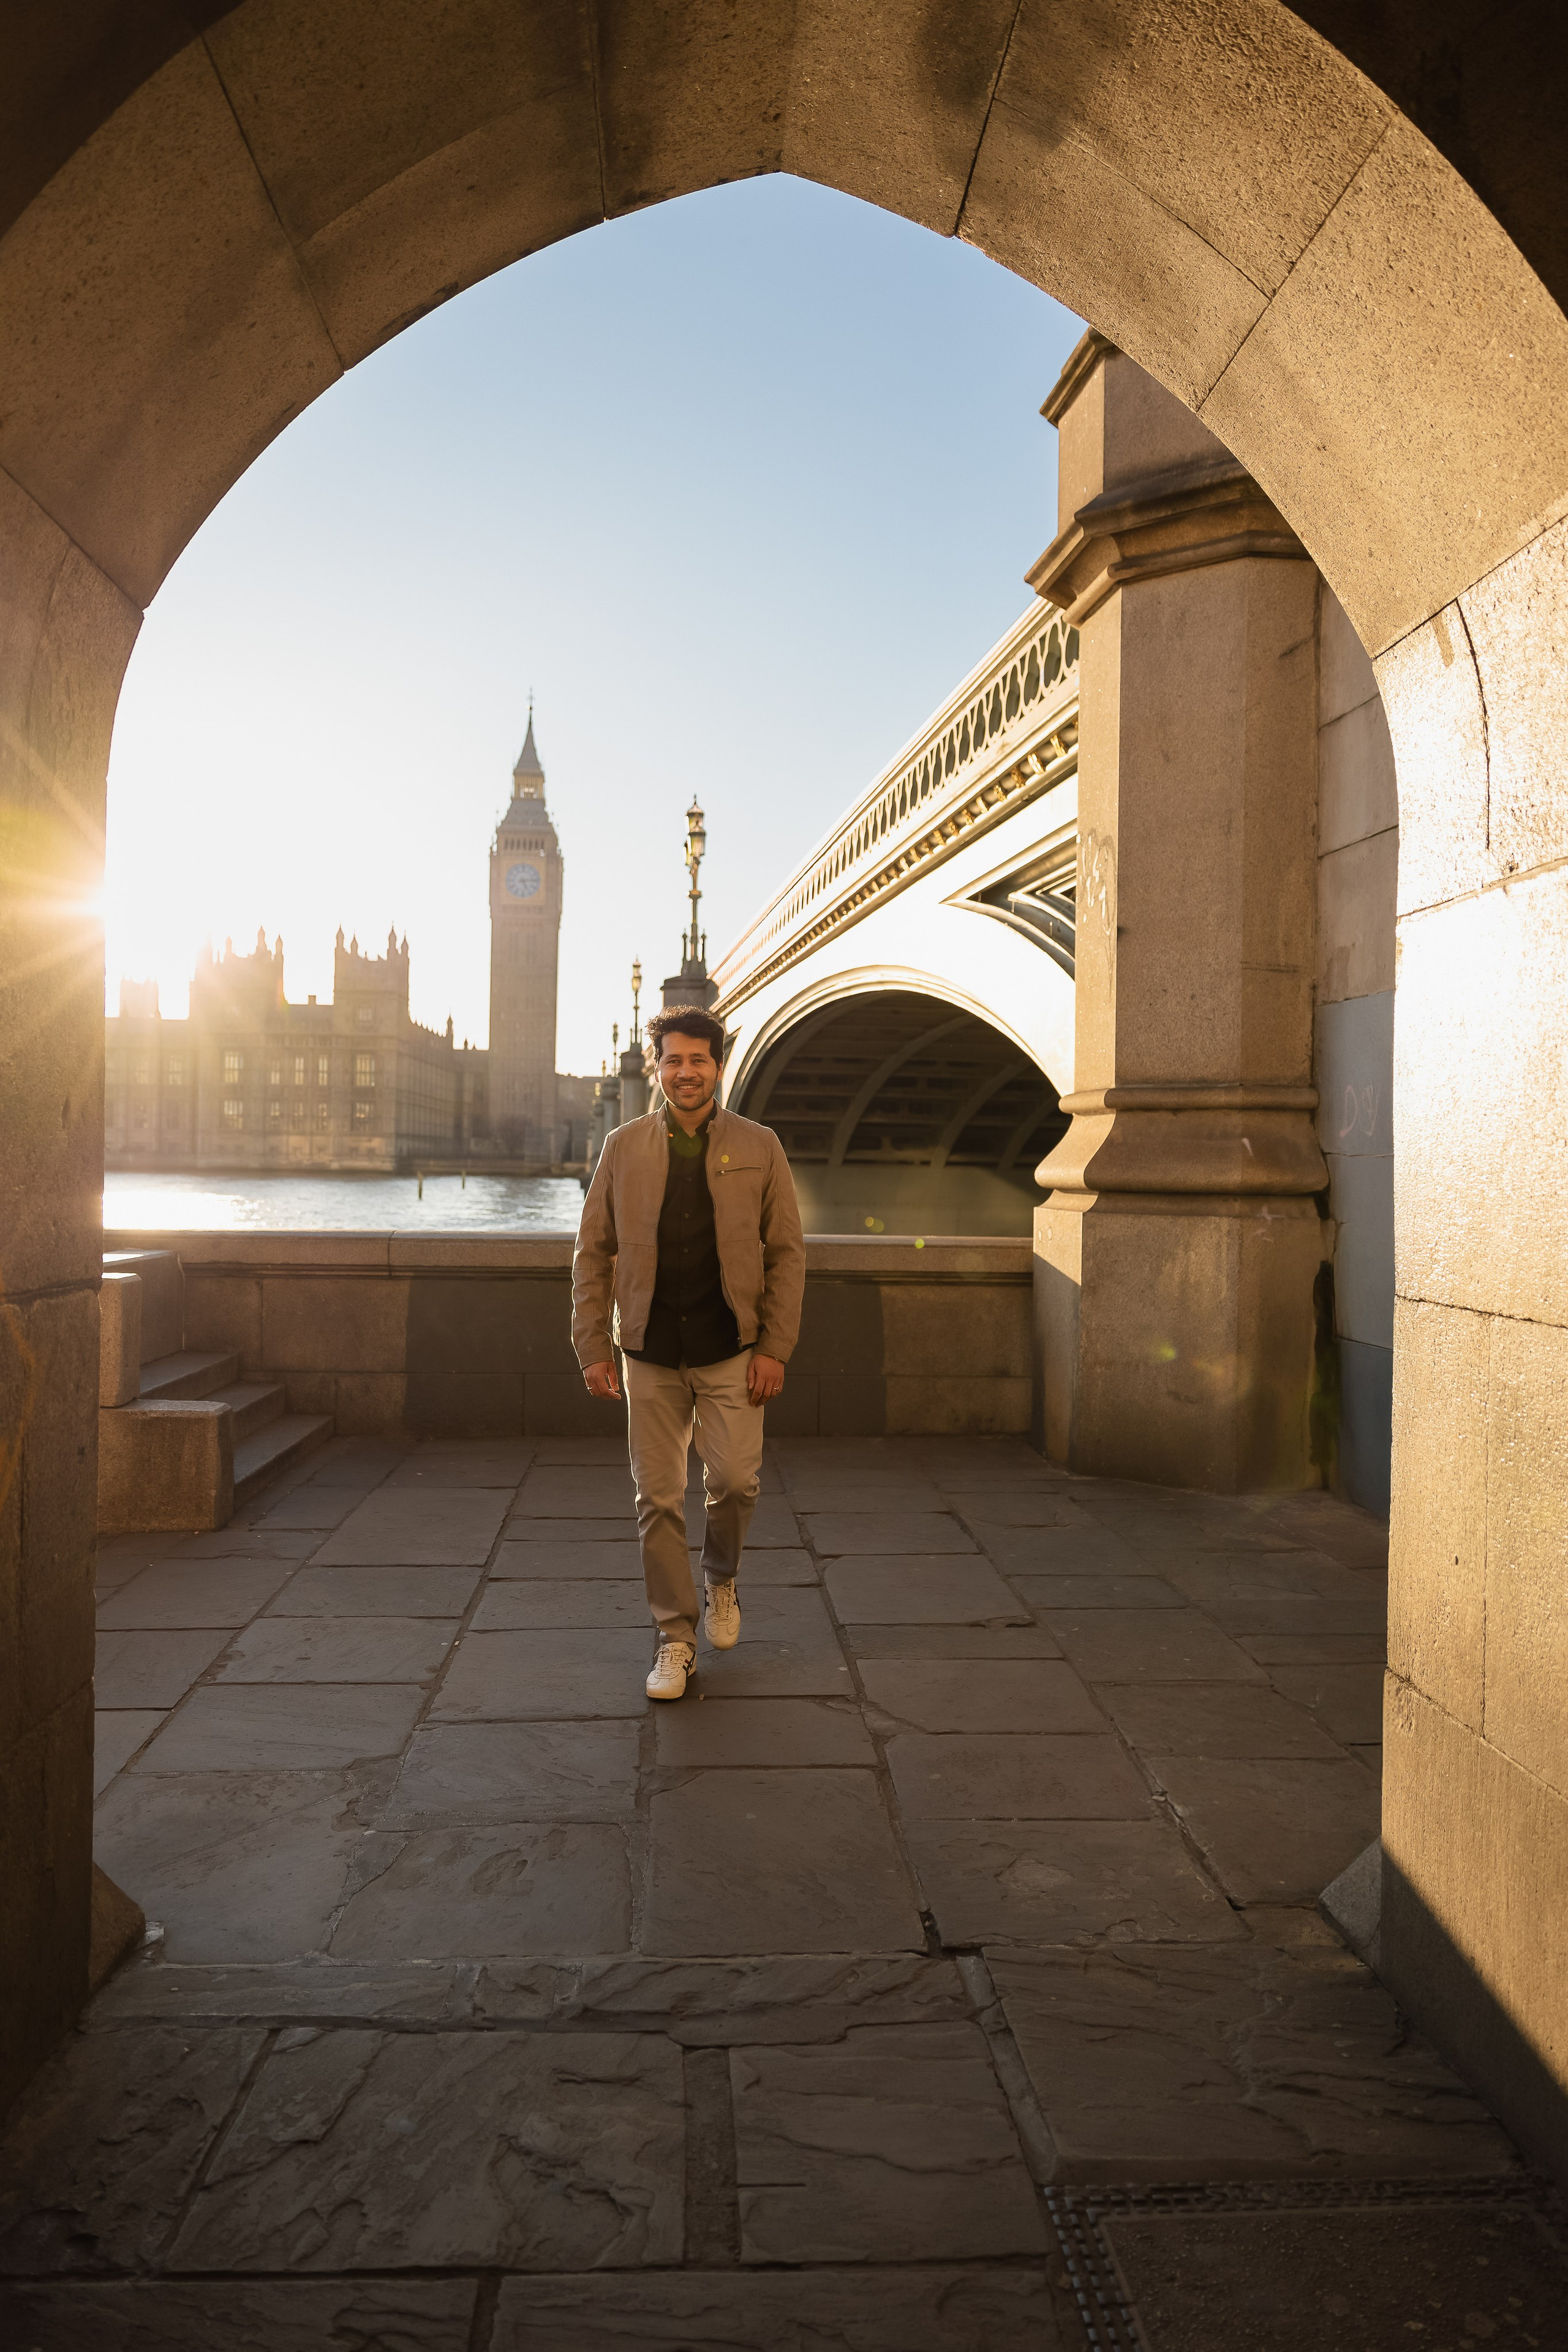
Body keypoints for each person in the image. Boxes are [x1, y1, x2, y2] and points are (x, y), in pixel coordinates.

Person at [571, 1008, 805, 1700]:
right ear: (658, 1067)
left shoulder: (761, 1146)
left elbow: (788, 1254)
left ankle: (721, 1578)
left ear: (719, 1065)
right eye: (673, 1060)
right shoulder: (621, 1148)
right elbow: (592, 1253)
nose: (685, 1072)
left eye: (698, 1060)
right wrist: (592, 1343)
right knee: (658, 1499)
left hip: (731, 1348)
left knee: (734, 1482)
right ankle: (675, 1638)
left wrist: (774, 1347)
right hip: (648, 1349)